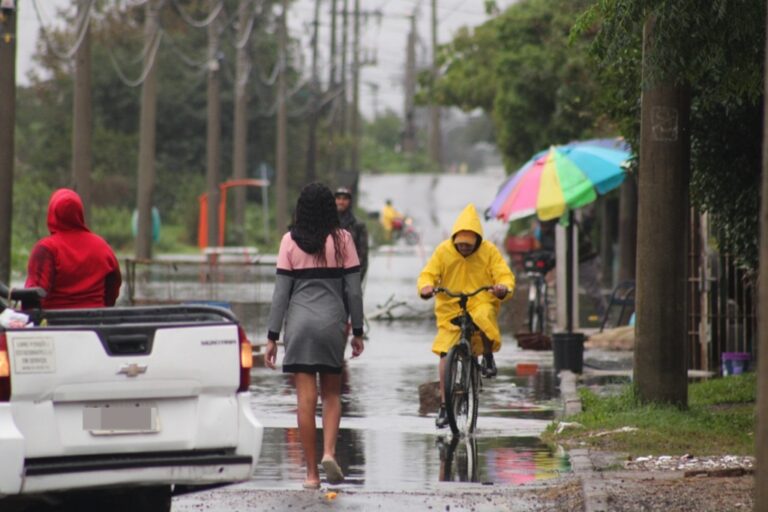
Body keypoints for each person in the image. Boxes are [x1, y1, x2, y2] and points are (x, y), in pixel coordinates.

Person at [264, 182, 365, 489]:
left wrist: (272, 336)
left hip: (298, 325)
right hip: (331, 325)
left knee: (305, 401)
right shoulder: (344, 239)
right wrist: (357, 330)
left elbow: (281, 294)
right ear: (330, 208)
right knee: (332, 394)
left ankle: (310, 475)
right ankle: (330, 452)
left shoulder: (288, 242)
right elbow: (353, 291)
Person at [417, 203, 515, 429]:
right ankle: (444, 405)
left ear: (477, 241)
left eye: (468, 246)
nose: (464, 249)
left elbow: (504, 274)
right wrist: (426, 287)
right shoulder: (443, 251)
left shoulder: (489, 251)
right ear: (454, 240)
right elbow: (428, 274)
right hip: (450, 304)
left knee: (484, 316)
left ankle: (488, 355)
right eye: (460, 245)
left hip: (480, 299)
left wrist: (502, 287)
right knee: (444, 353)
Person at [25, 188, 122, 309]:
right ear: (80, 213)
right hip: (97, 322)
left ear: (52, 213)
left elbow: (32, 296)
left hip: (54, 323)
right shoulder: (102, 246)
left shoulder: (46, 249)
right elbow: (113, 286)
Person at [334, 187, 369, 281]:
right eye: (338, 198)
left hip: (351, 275)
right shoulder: (328, 223)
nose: (341, 202)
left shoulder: (358, 225)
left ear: (350, 201)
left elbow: (363, 255)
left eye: (344, 199)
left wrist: (357, 279)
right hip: (331, 277)